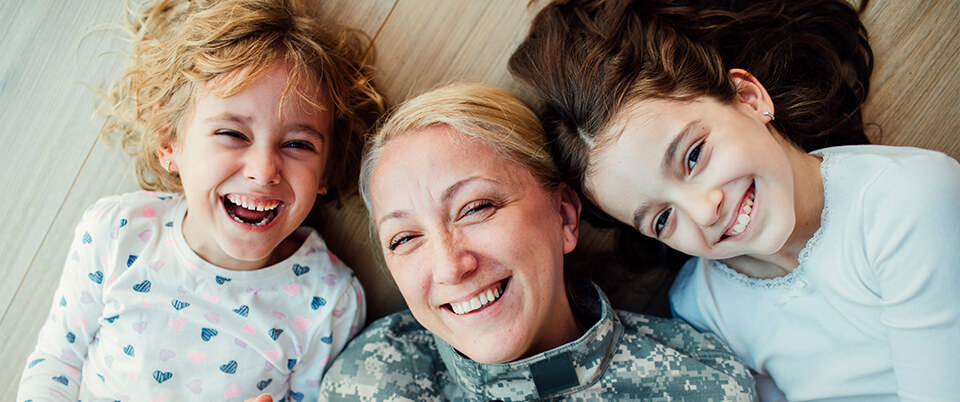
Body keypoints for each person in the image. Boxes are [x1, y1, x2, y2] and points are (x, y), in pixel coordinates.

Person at [508, 0, 960, 400]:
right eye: (663, 219)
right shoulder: (702, 307)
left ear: (748, 97)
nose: (705, 211)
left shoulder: (906, 199)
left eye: (694, 155)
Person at [16, 0, 385, 400]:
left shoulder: (328, 302)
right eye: (233, 134)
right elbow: (57, 362)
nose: (264, 170)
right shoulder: (118, 231)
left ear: (325, 171)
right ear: (168, 140)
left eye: (297, 144)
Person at [315, 83, 756, 400]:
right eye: (405, 238)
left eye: (476, 208)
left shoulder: (699, 382)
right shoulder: (368, 380)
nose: (451, 267)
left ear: (564, 215)